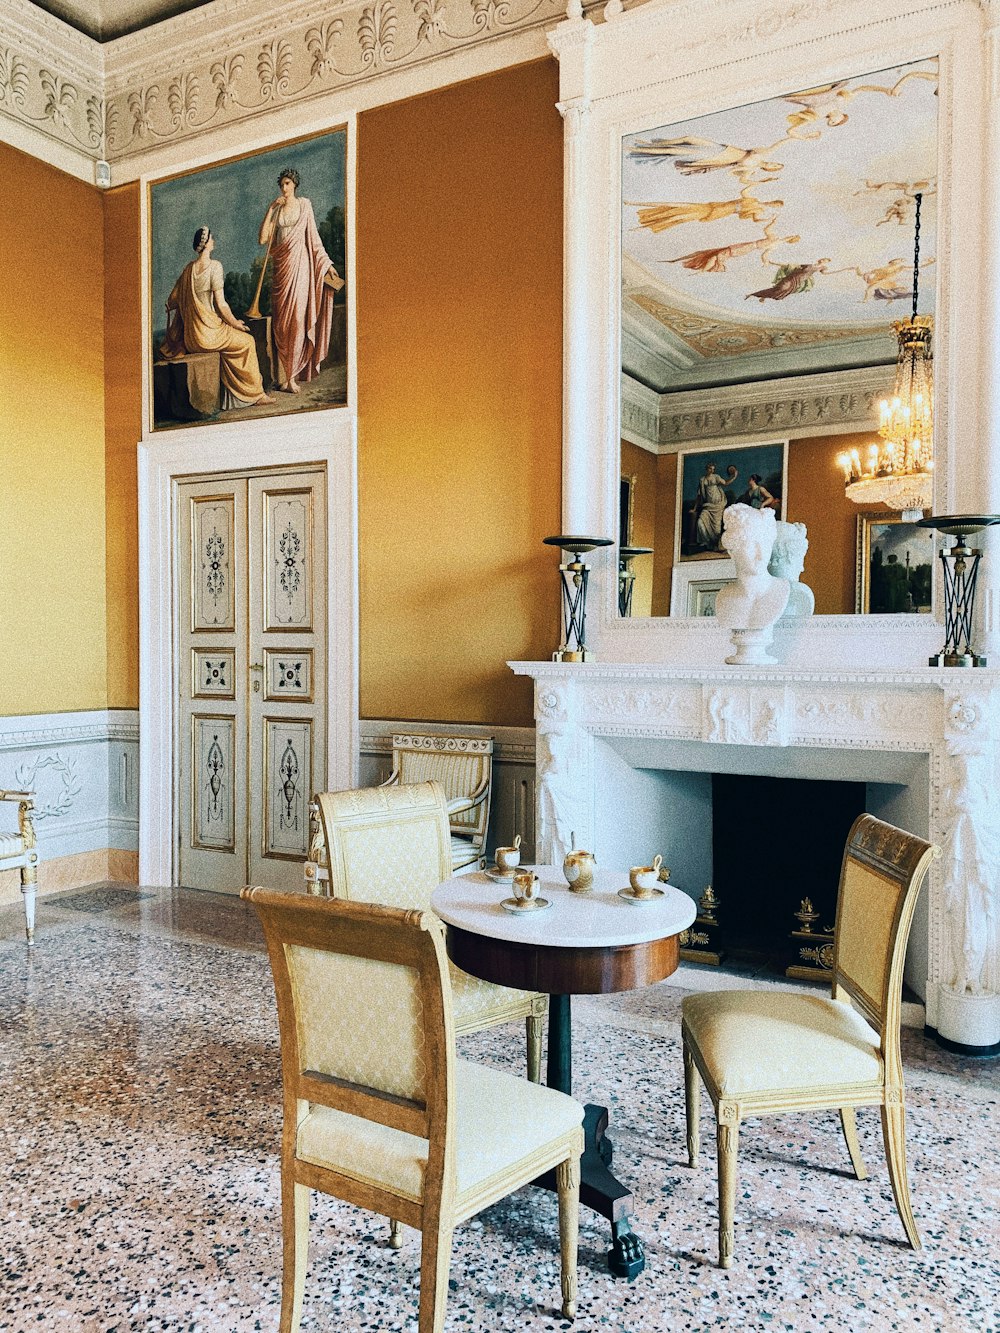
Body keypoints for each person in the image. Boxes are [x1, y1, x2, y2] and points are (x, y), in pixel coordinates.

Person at [160, 227, 274, 408]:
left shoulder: (188, 270)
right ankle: (255, 395)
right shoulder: (214, 267)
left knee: (234, 345)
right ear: (205, 244)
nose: (214, 241)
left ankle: (233, 398)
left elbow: (171, 301)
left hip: (192, 339)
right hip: (209, 335)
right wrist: (236, 323)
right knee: (247, 342)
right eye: (211, 238)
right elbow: (222, 305)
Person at [259, 167, 343, 394]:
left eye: (287, 183)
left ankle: (292, 377)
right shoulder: (276, 211)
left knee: (297, 319)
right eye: (282, 184)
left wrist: (328, 265)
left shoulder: (305, 205)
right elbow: (263, 239)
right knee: (282, 324)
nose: (284, 188)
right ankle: (284, 377)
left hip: (301, 267)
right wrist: (270, 209)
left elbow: (314, 239)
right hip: (281, 272)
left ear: (295, 184)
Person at [692, 462, 738, 551]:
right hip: (708, 507)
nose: (712, 470)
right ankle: (706, 542)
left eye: (713, 469)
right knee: (700, 523)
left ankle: (715, 545)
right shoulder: (702, 480)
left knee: (717, 530)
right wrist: (694, 508)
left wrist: (734, 477)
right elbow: (699, 496)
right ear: (707, 469)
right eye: (710, 469)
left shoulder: (716, 477)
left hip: (718, 506)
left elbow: (725, 483)